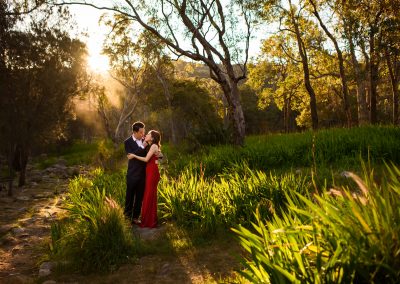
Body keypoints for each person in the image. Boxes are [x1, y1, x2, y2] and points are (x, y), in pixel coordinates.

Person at [128, 130, 161, 228]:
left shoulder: (154, 146)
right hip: (151, 171)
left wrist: (134, 156)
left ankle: (148, 221)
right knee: (149, 195)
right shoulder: (153, 146)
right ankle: (149, 219)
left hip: (152, 172)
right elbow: (160, 156)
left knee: (148, 195)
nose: (146, 135)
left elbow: (146, 159)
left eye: (148, 134)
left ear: (153, 137)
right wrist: (156, 160)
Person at [124, 121, 147, 225]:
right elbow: (131, 156)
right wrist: (142, 147)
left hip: (143, 174)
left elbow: (145, 155)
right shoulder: (127, 142)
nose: (143, 134)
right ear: (134, 132)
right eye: (141, 132)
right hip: (132, 175)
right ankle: (127, 218)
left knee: (139, 197)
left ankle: (135, 217)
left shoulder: (145, 140)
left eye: (143, 132)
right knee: (129, 196)